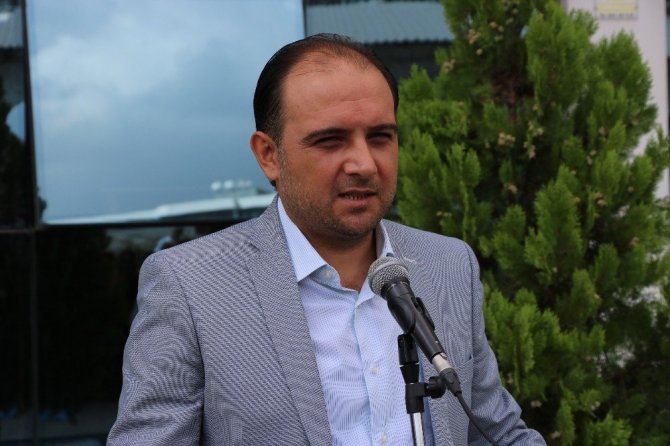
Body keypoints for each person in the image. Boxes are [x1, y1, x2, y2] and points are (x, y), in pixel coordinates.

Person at [108, 34, 545, 445]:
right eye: (331, 141)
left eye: (380, 137)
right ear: (269, 155)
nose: (364, 164)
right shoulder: (189, 285)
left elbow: (497, 431)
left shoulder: (448, 263)